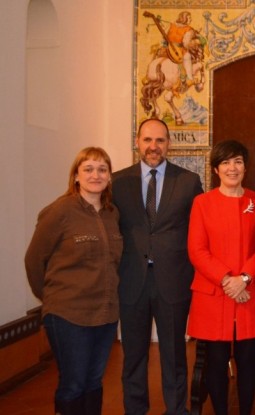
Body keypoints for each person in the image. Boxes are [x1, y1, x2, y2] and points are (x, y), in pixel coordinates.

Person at [112, 118, 203, 414]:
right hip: (132, 281)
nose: (154, 146)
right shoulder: (117, 182)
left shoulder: (188, 181)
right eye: (148, 140)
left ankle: (176, 410)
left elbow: (199, 232)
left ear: (169, 144)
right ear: (137, 142)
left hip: (173, 281)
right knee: (134, 356)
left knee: (174, 355)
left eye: (160, 140)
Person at [25, 147, 122, 414]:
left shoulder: (112, 214)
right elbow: (34, 260)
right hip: (68, 314)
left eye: (102, 169)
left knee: (93, 381)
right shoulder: (60, 211)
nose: (96, 174)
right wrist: (52, 299)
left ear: (109, 177)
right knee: (74, 383)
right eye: (88, 169)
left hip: (105, 314)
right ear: (76, 176)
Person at [186, 139, 255, 415]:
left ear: (245, 167)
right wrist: (228, 280)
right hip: (214, 294)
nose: (232, 167)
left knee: (248, 359)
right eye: (225, 162)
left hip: (250, 293)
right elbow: (196, 250)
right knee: (215, 360)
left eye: (237, 161)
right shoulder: (202, 203)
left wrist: (244, 278)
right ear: (216, 169)